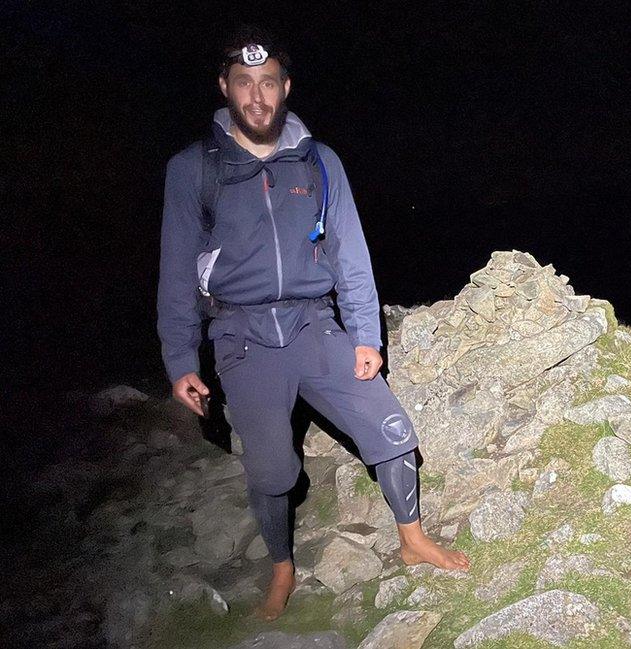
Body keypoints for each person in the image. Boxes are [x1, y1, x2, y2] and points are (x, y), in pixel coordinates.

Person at [157, 26, 470, 621]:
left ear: (285, 88)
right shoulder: (192, 169)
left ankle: (412, 541)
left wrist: (366, 338)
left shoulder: (320, 161)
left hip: (313, 324)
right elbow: (175, 272)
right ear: (225, 87)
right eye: (244, 83)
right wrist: (181, 362)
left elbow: (350, 254)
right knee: (274, 472)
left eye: (268, 83)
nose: (257, 96)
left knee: (393, 428)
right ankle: (282, 569)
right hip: (241, 336)